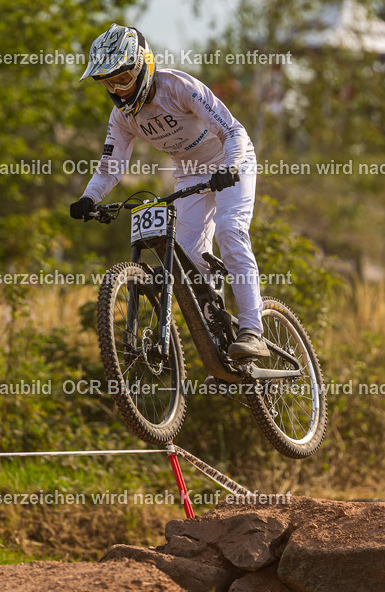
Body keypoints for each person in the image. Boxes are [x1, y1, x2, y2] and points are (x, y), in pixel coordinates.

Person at [69, 24, 268, 361]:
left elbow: (232, 129)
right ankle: (219, 345)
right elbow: (111, 165)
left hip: (231, 158)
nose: (117, 91)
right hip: (190, 171)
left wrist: (231, 166)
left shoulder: (178, 87)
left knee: (230, 230)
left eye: (122, 80)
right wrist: (89, 198)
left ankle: (253, 331)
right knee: (187, 261)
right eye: (107, 83)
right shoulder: (121, 118)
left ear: (143, 66)